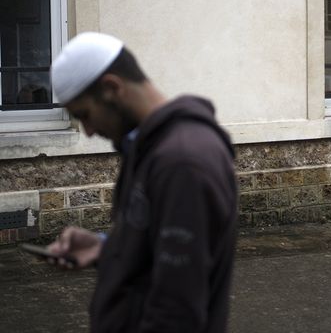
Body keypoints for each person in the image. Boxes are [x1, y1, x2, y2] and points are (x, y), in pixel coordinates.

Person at [47, 32, 238, 332]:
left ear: (112, 87)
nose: (88, 131)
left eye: (84, 115)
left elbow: (176, 310)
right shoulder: (151, 147)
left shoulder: (183, 162)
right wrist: (104, 246)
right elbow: (155, 243)